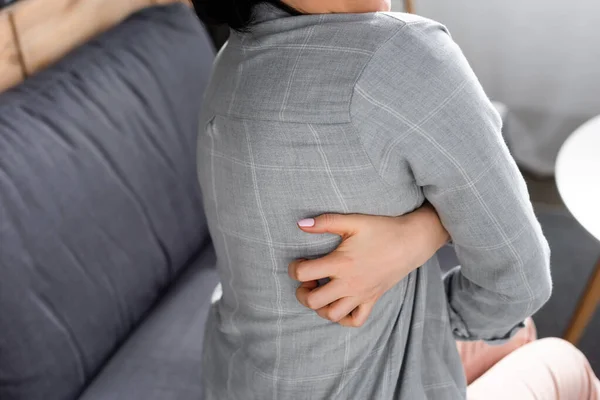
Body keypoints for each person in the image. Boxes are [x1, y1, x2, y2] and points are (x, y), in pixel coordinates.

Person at [195, 0, 553, 398]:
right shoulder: (397, 54)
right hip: (379, 385)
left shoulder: (233, 60)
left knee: (518, 337)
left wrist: (422, 233)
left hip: (241, 380)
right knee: (558, 359)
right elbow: (518, 284)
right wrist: (435, 300)